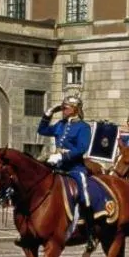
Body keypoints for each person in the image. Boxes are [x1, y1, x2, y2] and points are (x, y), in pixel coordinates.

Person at [38, 94, 94, 225]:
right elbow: (42, 130)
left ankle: (89, 227)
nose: (63, 110)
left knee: (83, 191)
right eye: (62, 108)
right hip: (57, 167)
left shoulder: (83, 127)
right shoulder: (60, 124)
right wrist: (48, 114)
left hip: (74, 168)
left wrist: (62, 156)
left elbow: (82, 148)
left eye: (65, 108)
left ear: (75, 109)